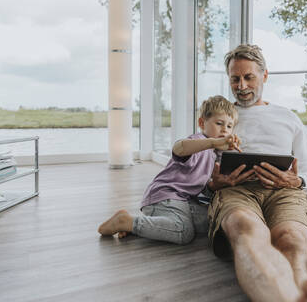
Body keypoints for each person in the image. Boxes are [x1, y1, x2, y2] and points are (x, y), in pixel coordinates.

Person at [206, 44, 307, 302]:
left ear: (265, 76)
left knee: (292, 240)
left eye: (248, 77)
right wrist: (213, 183)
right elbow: (194, 166)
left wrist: (298, 179)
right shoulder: (217, 117)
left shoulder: (287, 117)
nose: (241, 86)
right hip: (236, 192)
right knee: (246, 231)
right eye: (234, 79)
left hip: (285, 192)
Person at [98, 95, 248, 245]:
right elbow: (178, 148)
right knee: (184, 231)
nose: (224, 130)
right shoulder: (198, 141)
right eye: (219, 123)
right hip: (164, 196)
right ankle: (126, 221)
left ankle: (138, 225)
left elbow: (201, 185)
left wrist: (214, 185)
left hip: (184, 201)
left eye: (229, 126)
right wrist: (213, 142)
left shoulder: (216, 155)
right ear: (202, 123)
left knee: (211, 219)